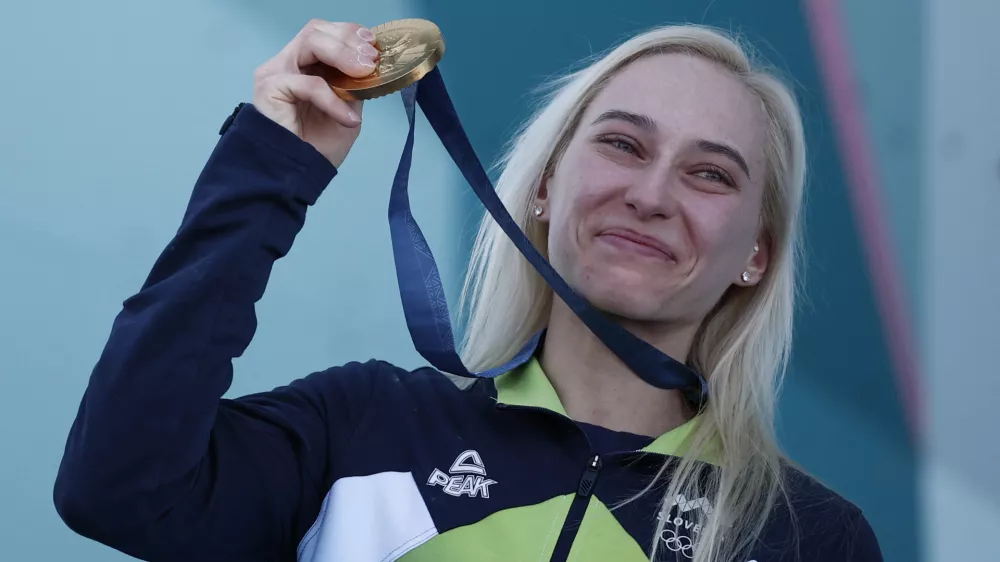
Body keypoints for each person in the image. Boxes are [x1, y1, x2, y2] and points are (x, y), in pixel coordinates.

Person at [53, 18, 883, 562]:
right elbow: (117, 488)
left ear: (757, 255)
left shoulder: (809, 538)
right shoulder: (365, 431)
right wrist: (272, 167)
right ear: (547, 188)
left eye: (709, 173)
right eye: (624, 145)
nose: (653, 194)